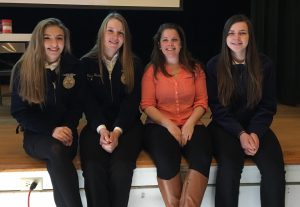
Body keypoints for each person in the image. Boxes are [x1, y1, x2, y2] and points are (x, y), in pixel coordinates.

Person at [206, 14, 286, 207]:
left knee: (274, 170)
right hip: (224, 127)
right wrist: (240, 133)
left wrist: (255, 133)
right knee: (230, 167)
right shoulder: (214, 65)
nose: (237, 38)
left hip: (256, 127)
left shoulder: (265, 65)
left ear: (250, 37)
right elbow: (217, 108)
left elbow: (267, 106)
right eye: (232, 33)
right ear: (225, 37)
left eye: (242, 33)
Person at [10, 18, 83, 207]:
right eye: (47, 38)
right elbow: (20, 112)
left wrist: (67, 127)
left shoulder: (73, 66)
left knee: (56, 159)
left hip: (67, 134)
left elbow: (76, 106)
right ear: (38, 40)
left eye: (59, 38)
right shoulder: (23, 68)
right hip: (38, 136)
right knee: (55, 150)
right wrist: (52, 130)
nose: (54, 43)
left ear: (65, 41)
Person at [141, 23, 212, 207]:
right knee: (166, 159)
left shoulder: (196, 69)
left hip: (192, 123)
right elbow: (147, 105)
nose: (170, 44)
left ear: (181, 44)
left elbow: (202, 102)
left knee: (202, 158)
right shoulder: (151, 71)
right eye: (165, 39)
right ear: (159, 44)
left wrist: (189, 123)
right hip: (159, 126)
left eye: (174, 40)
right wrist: (169, 125)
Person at [79, 12, 143, 207]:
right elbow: (88, 103)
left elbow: (132, 103)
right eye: (111, 31)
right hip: (96, 127)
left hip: (127, 127)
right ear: (102, 33)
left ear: (126, 38)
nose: (115, 37)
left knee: (122, 169)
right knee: (93, 168)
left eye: (120, 33)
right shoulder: (85, 63)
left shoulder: (134, 63)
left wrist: (116, 131)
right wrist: (102, 129)